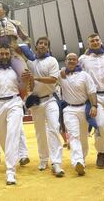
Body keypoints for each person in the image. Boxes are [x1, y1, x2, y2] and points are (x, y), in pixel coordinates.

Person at [0, 44, 33, 185]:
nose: (4, 56)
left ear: (10, 55)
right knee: (3, 139)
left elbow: (29, 87)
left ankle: (10, 171)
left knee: (13, 135)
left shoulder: (18, 68)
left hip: (15, 102)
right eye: (1, 54)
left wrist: (29, 79)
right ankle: (12, 157)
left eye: (6, 54)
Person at [78, 33, 104, 169]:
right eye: (92, 41)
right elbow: (79, 74)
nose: (95, 42)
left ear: (101, 41)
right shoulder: (83, 59)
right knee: (100, 125)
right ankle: (101, 152)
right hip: (94, 97)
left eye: (97, 40)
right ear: (88, 44)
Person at [26, 36, 64, 177]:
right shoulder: (30, 62)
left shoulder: (52, 60)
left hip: (50, 99)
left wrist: (35, 78)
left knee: (54, 127)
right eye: (40, 43)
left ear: (48, 47)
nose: (42, 45)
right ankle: (43, 159)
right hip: (36, 102)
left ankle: (56, 162)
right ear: (36, 47)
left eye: (45, 44)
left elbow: (53, 79)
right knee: (39, 132)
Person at [59, 53, 97, 176]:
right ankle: (77, 161)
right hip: (69, 109)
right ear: (65, 61)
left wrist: (94, 106)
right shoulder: (61, 75)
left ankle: (83, 159)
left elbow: (91, 92)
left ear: (77, 62)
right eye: (69, 59)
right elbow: (51, 79)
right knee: (74, 136)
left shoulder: (85, 75)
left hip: (83, 108)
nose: (71, 61)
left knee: (83, 137)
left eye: (74, 59)